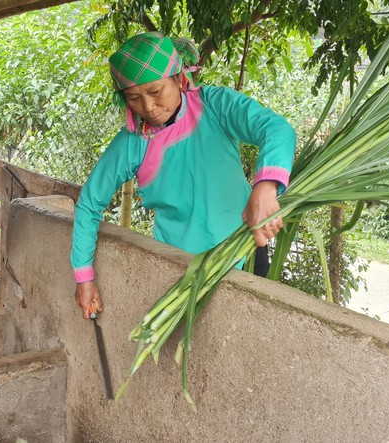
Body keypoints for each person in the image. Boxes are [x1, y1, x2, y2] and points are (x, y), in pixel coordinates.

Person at [71, 32, 296, 319]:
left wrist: (265, 187)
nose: (148, 108)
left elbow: (276, 129)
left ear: (179, 78)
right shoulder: (132, 142)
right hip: (180, 269)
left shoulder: (215, 106)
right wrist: (84, 276)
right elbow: (89, 205)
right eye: (134, 99)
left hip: (246, 253)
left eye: (155, 92)